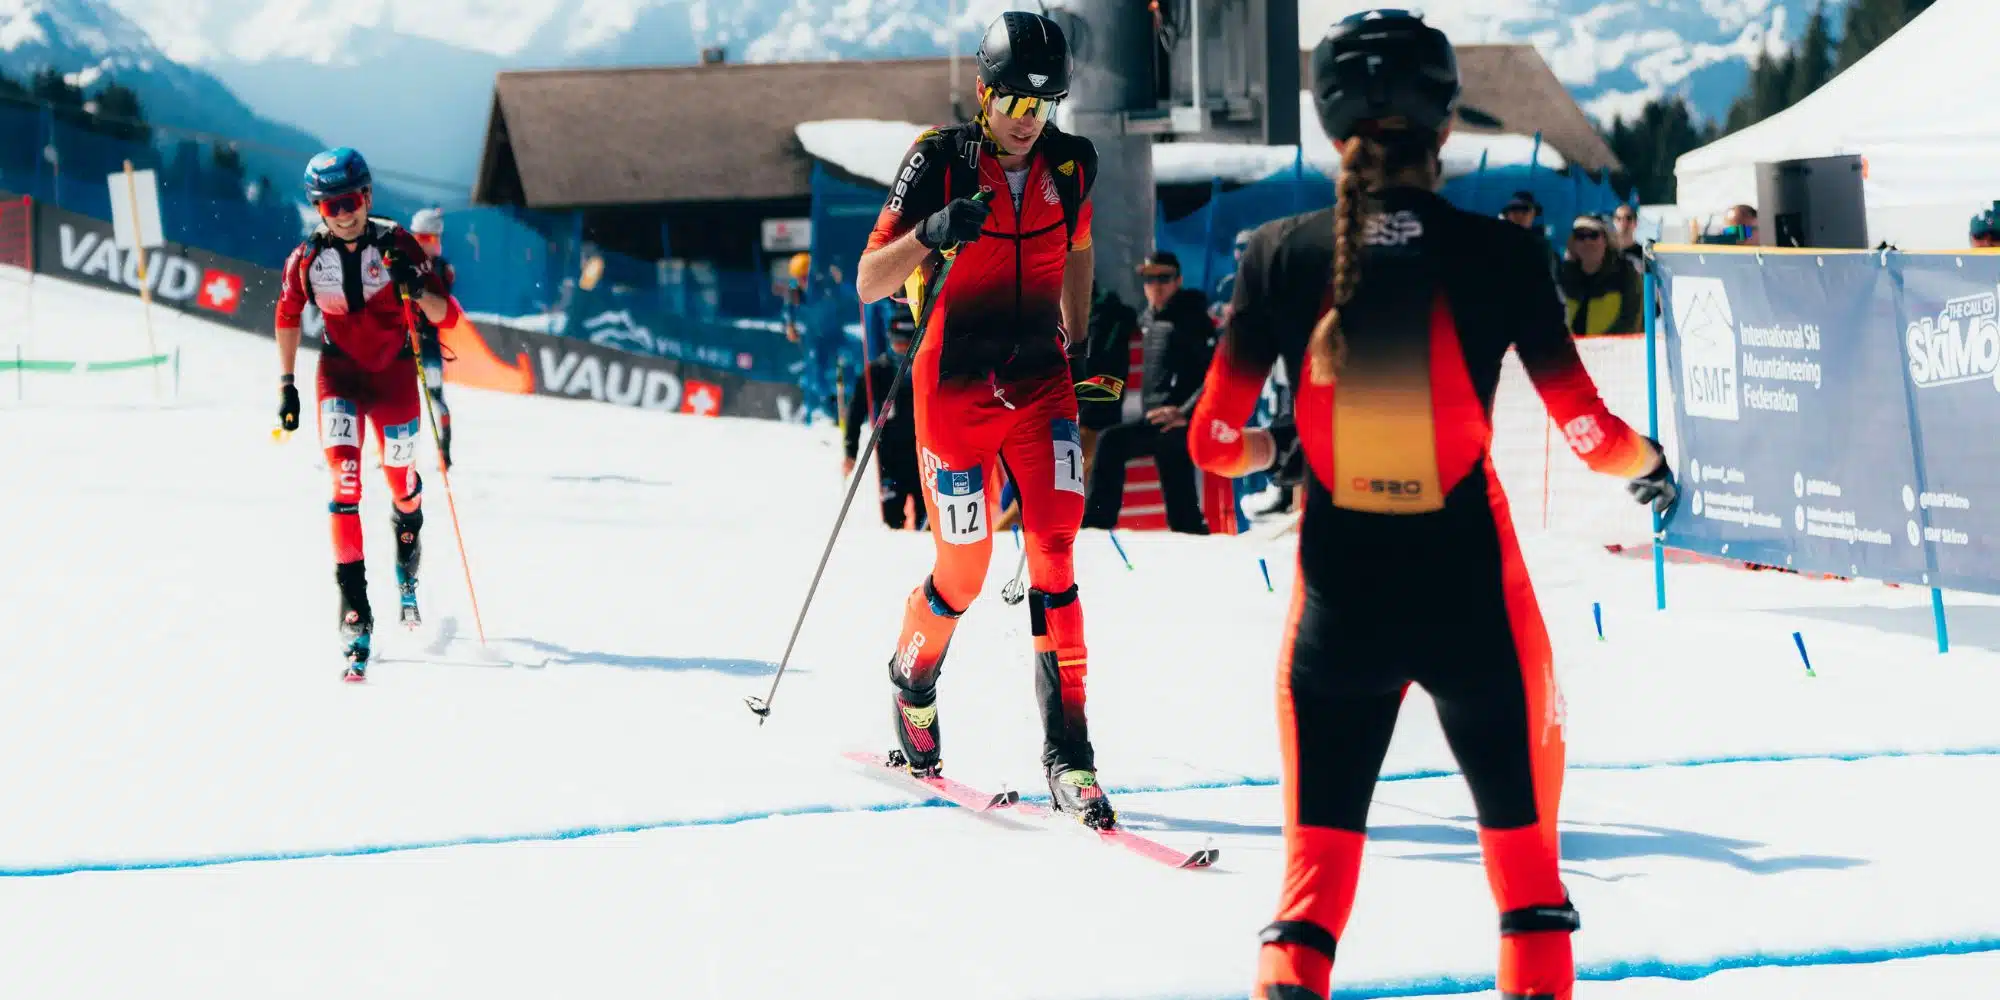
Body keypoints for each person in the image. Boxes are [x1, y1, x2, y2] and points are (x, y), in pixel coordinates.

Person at [1182, 12, 1677, 1000]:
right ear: (1445, 125)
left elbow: (1209, 443)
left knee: (1307, 907)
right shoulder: (1501, 254)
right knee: (1529, 894)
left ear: (1330, 130)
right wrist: (1648, 460)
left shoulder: (1276, 252)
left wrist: (1280, 448)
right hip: (1470, 606)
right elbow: (1585, 430)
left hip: (1336, 613)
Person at [854, 10, 1114, 827]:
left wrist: (1078, 339)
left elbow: (1078, 247)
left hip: (1041, 384)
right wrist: (931, 235)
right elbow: (868, 280)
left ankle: (1071, 756)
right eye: (1014, 102)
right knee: (963, 573)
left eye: (1043, 104)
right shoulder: (937, 159)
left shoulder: (1074, 164)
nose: (1027, 120)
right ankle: (913, 681)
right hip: (955, 392)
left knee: (1056, 555)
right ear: (983, 91)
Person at [274, 147, 456, 682]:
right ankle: (354, 610)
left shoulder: (396, 242)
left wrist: (415, 286)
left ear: (368, 196)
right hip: (340, 376)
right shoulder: (306, 258)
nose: (344, 214)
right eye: (330, 206)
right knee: (345, 482)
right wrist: (287, 385)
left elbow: (445, 315)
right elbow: (286, 315)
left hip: (395, 375)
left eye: (351, 201)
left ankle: (407, 561)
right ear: (318, 209)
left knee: (401, 482)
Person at [1082, 250, 1214, 534]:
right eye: (1149, 279)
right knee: (1183, 513)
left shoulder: (1191, 318)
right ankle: (1192, 532)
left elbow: (1213, 373)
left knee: (1111, 443)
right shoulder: (1149, 317)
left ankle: (1095, 525)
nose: (1156, 285)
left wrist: (1185, 412)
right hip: (1159, 419)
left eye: (1164, 278)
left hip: (1176, 420)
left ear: (1178, 281)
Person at [843, 314, 925, 530]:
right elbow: (855, 413)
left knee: (927, 522)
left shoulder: (927, 368)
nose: (902, 348)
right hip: (890, 457)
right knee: (892, 521)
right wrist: (850, 451)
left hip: (923, 455)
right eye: (897, 342)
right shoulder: (876, 372)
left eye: (907, 342)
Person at [408, 207, 456, 468]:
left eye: (432, 239)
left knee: (436, 397)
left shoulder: (442, 268)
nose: (427, 245)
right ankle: (393, 450)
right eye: (421, 239)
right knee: (398, 398)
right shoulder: (403, 262)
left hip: (428, 342)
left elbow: (440, 305)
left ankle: (444, 452)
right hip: (404, 341)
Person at [1558, 215, 1642, 335]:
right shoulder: (1562, 276)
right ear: (1573, 243)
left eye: (1594, 235)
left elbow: (1631, 322)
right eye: (1580, 236)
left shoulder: (1625, 273)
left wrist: (1600, 344)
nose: (1587, 242)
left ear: (1606, 240)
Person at [1612, 203, 1643, 273]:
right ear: (1614, 222)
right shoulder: (1605, 251)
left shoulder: (1643, 255)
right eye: (1619, 218)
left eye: (1628, 218)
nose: (1623, 222)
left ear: (1636, 223)